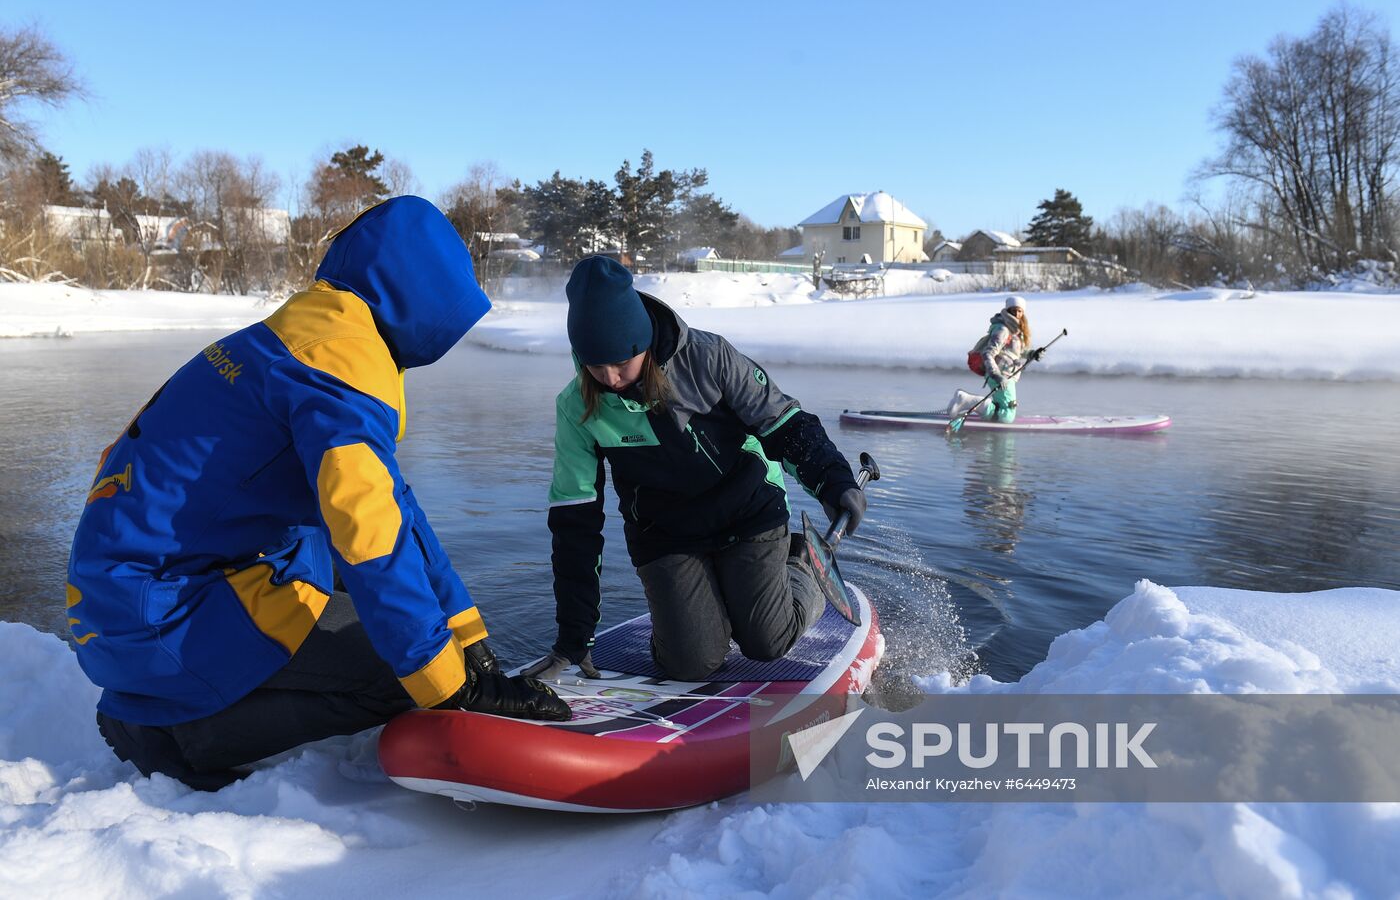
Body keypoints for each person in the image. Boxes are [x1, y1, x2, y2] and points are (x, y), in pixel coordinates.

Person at [65, 196, 567, 791]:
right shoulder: (339, 367)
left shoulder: (303, 336)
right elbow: (372, 540)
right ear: (422, 296)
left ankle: (176, 696)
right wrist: (452, 686)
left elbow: (398, 511)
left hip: (123, 600)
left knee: (355, 585)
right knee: (399, 669)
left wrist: (471, 639)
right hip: (155, 615)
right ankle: (177, 735)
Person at [524, 256, 865, 683]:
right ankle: (698, 620)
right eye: (596, 365)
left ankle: (801, 563)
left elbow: (784, 423)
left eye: (622, 363)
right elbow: (575, 523)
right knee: (689, 665)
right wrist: (574, 639)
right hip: (665, 534)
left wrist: (832, 481)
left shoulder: (709, 359)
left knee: (766, 642)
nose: (610, 378)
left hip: (747, 511)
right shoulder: (576, 408)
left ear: (644, 342)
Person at [945, 295, 1044, 424]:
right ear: (1008, 310)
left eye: (1020, 311)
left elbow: (1015, 352)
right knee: (1007, 415)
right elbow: (988, 353)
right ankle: (966, 400)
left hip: (1007, 375)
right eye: (1014, 310)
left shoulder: (1015, 330)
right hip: (999, 374)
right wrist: (996, 375)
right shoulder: (1003, 329)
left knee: (1005, 410)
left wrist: (1032, 353)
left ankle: (972, 403)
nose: (1017, 314)